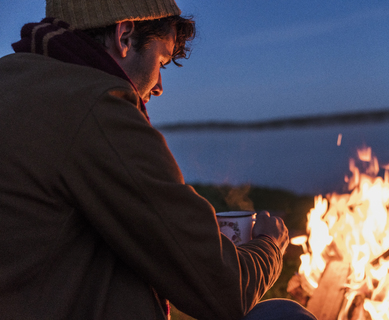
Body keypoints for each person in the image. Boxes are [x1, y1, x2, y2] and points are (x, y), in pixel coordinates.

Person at [0, 0, 317, 319]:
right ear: (124, 36)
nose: (160, 87)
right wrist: (269, 245)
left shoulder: (15, 80)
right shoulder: (96, 108)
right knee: (283, 315)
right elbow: (223, 290)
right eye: (161, 61)